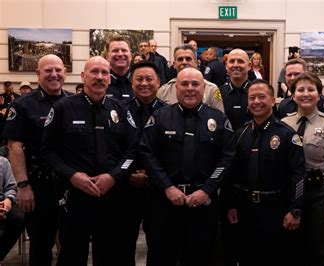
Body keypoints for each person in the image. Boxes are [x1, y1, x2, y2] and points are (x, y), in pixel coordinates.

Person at [40, 56, 137, 266]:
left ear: (110, 79)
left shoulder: (120, 110)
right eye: (94, 72)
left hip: (112, 194)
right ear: (83, 76)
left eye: (104, 73)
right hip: (75, 195)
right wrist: (72, 175)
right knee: (72, 255)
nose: (99, 77)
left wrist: (114, 176)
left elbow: (132, 151)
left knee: (110, 254)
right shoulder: (63, 108)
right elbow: (48, 152)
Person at [141, 67, 234, 266]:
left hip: (203, 205)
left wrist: (207, 190)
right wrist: (167, 187)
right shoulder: (159, 117)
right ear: (176, 88)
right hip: (165, 203)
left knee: (199, 257)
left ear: (203, 88)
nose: (190, 89)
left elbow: (226, 158)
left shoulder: (219, 119)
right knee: (161, 256)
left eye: (195, 84)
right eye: (184, 84)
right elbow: (148, 155)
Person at [222, 79, 305, 266]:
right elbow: (232, 174)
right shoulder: (241, 134)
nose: (256, 102)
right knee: (246, 258)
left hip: (277, 210)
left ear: (273, 100)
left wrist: (296, 210)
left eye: (262, 97)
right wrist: (231, 205)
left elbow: (298, 176)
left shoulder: (286, 135)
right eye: (252, 98)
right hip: (246, 210)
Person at [3, 54, 73, 266]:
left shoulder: (73, 102)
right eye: (48, 70)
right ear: (37, 75)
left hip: (70, 185)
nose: (54, 74)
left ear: (65, 72)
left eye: (58, 70)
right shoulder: (23, 105)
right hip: (39, 187)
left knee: (71, 245)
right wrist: (23, 186)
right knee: (41, 247)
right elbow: (14, 147)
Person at [281, 72, 324, 266]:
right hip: (292, 194)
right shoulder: (284, 124)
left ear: (319, 94)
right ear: (292, 95)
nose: (305, 94)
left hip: (320, 194)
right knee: (293, 248)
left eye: (311, 89)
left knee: (320, 250)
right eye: (300, 90)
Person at [123, 61, 167, 265]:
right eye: (139, 79)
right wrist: (128, 174)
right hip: (125, 186)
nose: (144, 83)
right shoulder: (119, 112)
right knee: (123, 244)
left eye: (149, 79)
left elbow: (171, 154)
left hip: (159, 189)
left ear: (158, 82)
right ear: (131, 83)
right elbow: (114, 149)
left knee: (159, 245)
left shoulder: (170, 113)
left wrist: (150, 175)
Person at [157, 44, 224, 112]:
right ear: (174, 64)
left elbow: (219, 118)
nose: (184, 62)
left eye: (188, 59)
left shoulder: (211, 90)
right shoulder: (163, 91)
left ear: (196, 62)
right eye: (180, 59)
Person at [219, 48, 253, 130]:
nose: (236, 65)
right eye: (232, 61)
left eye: (240, 61)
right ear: (226, 66)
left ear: (249, 66)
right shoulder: (219, 93)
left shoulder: (257, 92)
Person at [0, 156, 25, 262]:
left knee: (19, 218)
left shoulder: (3, 162)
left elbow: (11, 187)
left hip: (2, 202)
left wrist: (8, 200)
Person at [105, 36, 134, 100]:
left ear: (131, 56)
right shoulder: (101, 82)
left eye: (124, 50)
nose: (120, 54)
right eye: (115, 50)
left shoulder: (139, 82)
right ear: (107, 57)